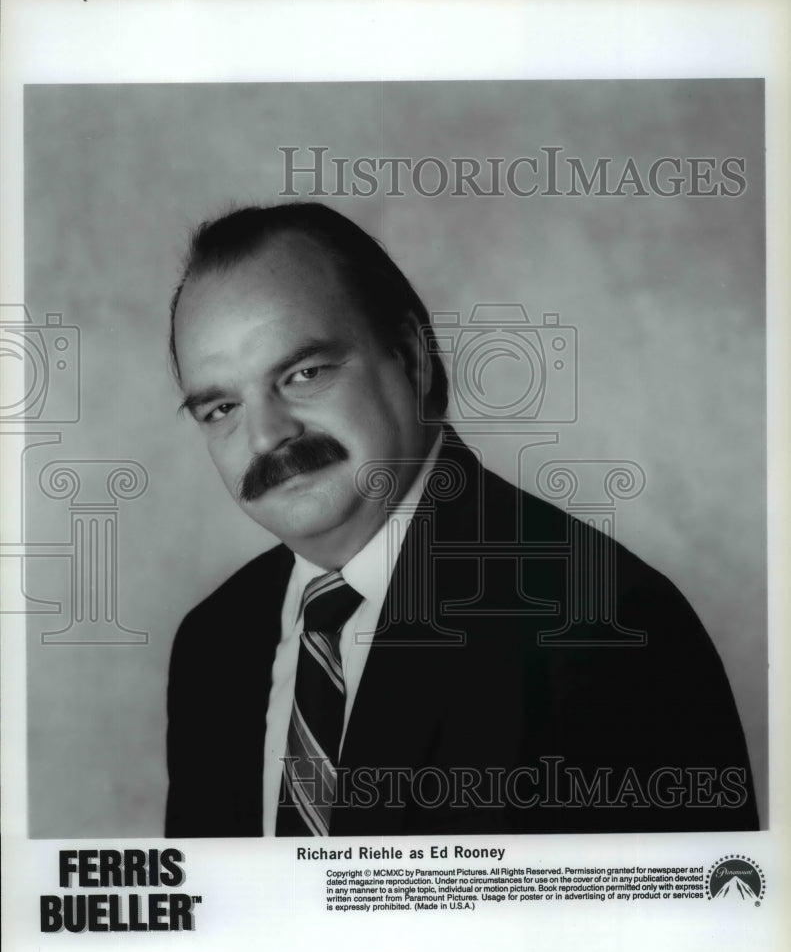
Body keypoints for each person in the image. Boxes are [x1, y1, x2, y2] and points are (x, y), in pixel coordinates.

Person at [165, 202, 758, 837]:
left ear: (411, 359)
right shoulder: (212, 647)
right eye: (221, 408)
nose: (265, 436)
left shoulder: (607, 626)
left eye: (304, 373)